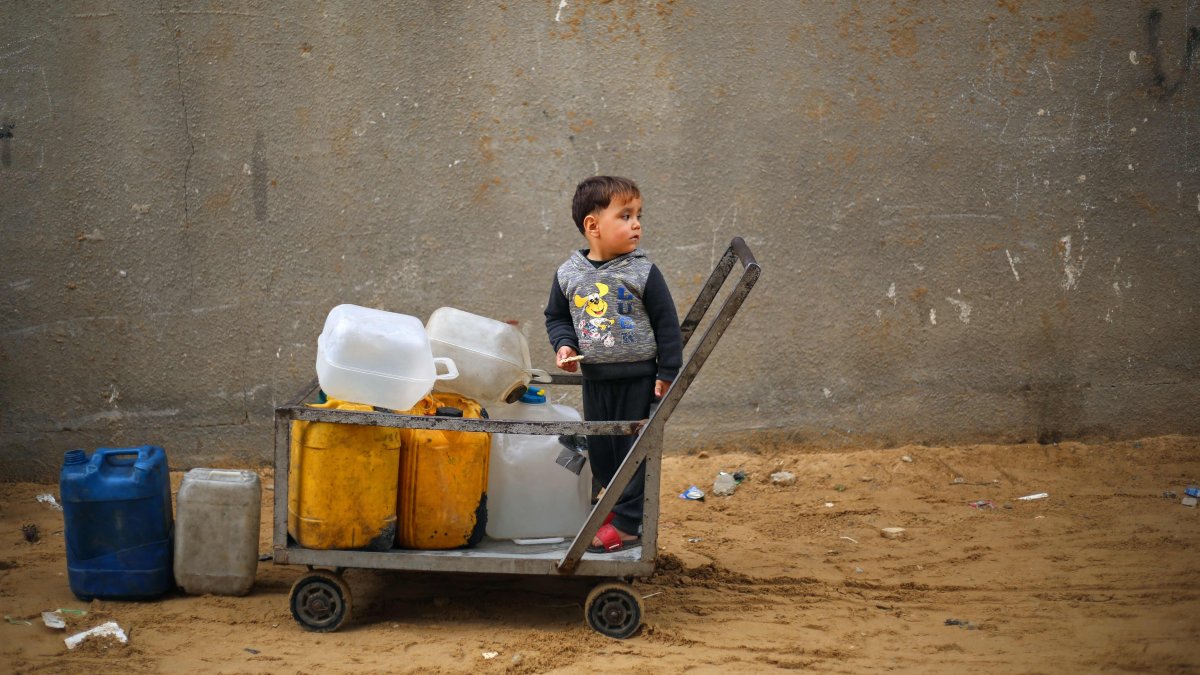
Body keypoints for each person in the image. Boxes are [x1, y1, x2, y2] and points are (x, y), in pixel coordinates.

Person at [544, 176, 683, 553]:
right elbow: (556, 318)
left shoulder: (642, 272)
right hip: (596, 380)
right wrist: (564, 346)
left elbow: (667, 324)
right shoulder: (568, 274)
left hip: (637, 379)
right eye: (625, 216)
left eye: (638, 215)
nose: (636, 224)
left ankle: (626, 524)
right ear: (593, 226)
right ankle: (613, 505)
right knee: (602, 451)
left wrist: (668, 372)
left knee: (631, 454)